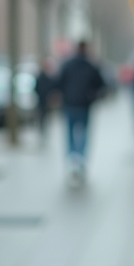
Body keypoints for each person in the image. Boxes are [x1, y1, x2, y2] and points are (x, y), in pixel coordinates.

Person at [57, 41, 107, 180]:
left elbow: (59, 83)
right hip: (85, 106)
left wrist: (64, 95)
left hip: (69, 105)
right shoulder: (91, 66)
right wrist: (93, 97)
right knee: (83, 133)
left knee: (70, 133)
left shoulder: (67, 65)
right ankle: (81, 159)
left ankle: (72, 158)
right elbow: (101, 85)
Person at [33, 58, 56, 137]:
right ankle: (43, 132)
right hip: (42, 100)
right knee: (42, 117)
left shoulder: (48, 77)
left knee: (46, 117)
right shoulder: (41, 77)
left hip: (47, 101)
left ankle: (45, 132)